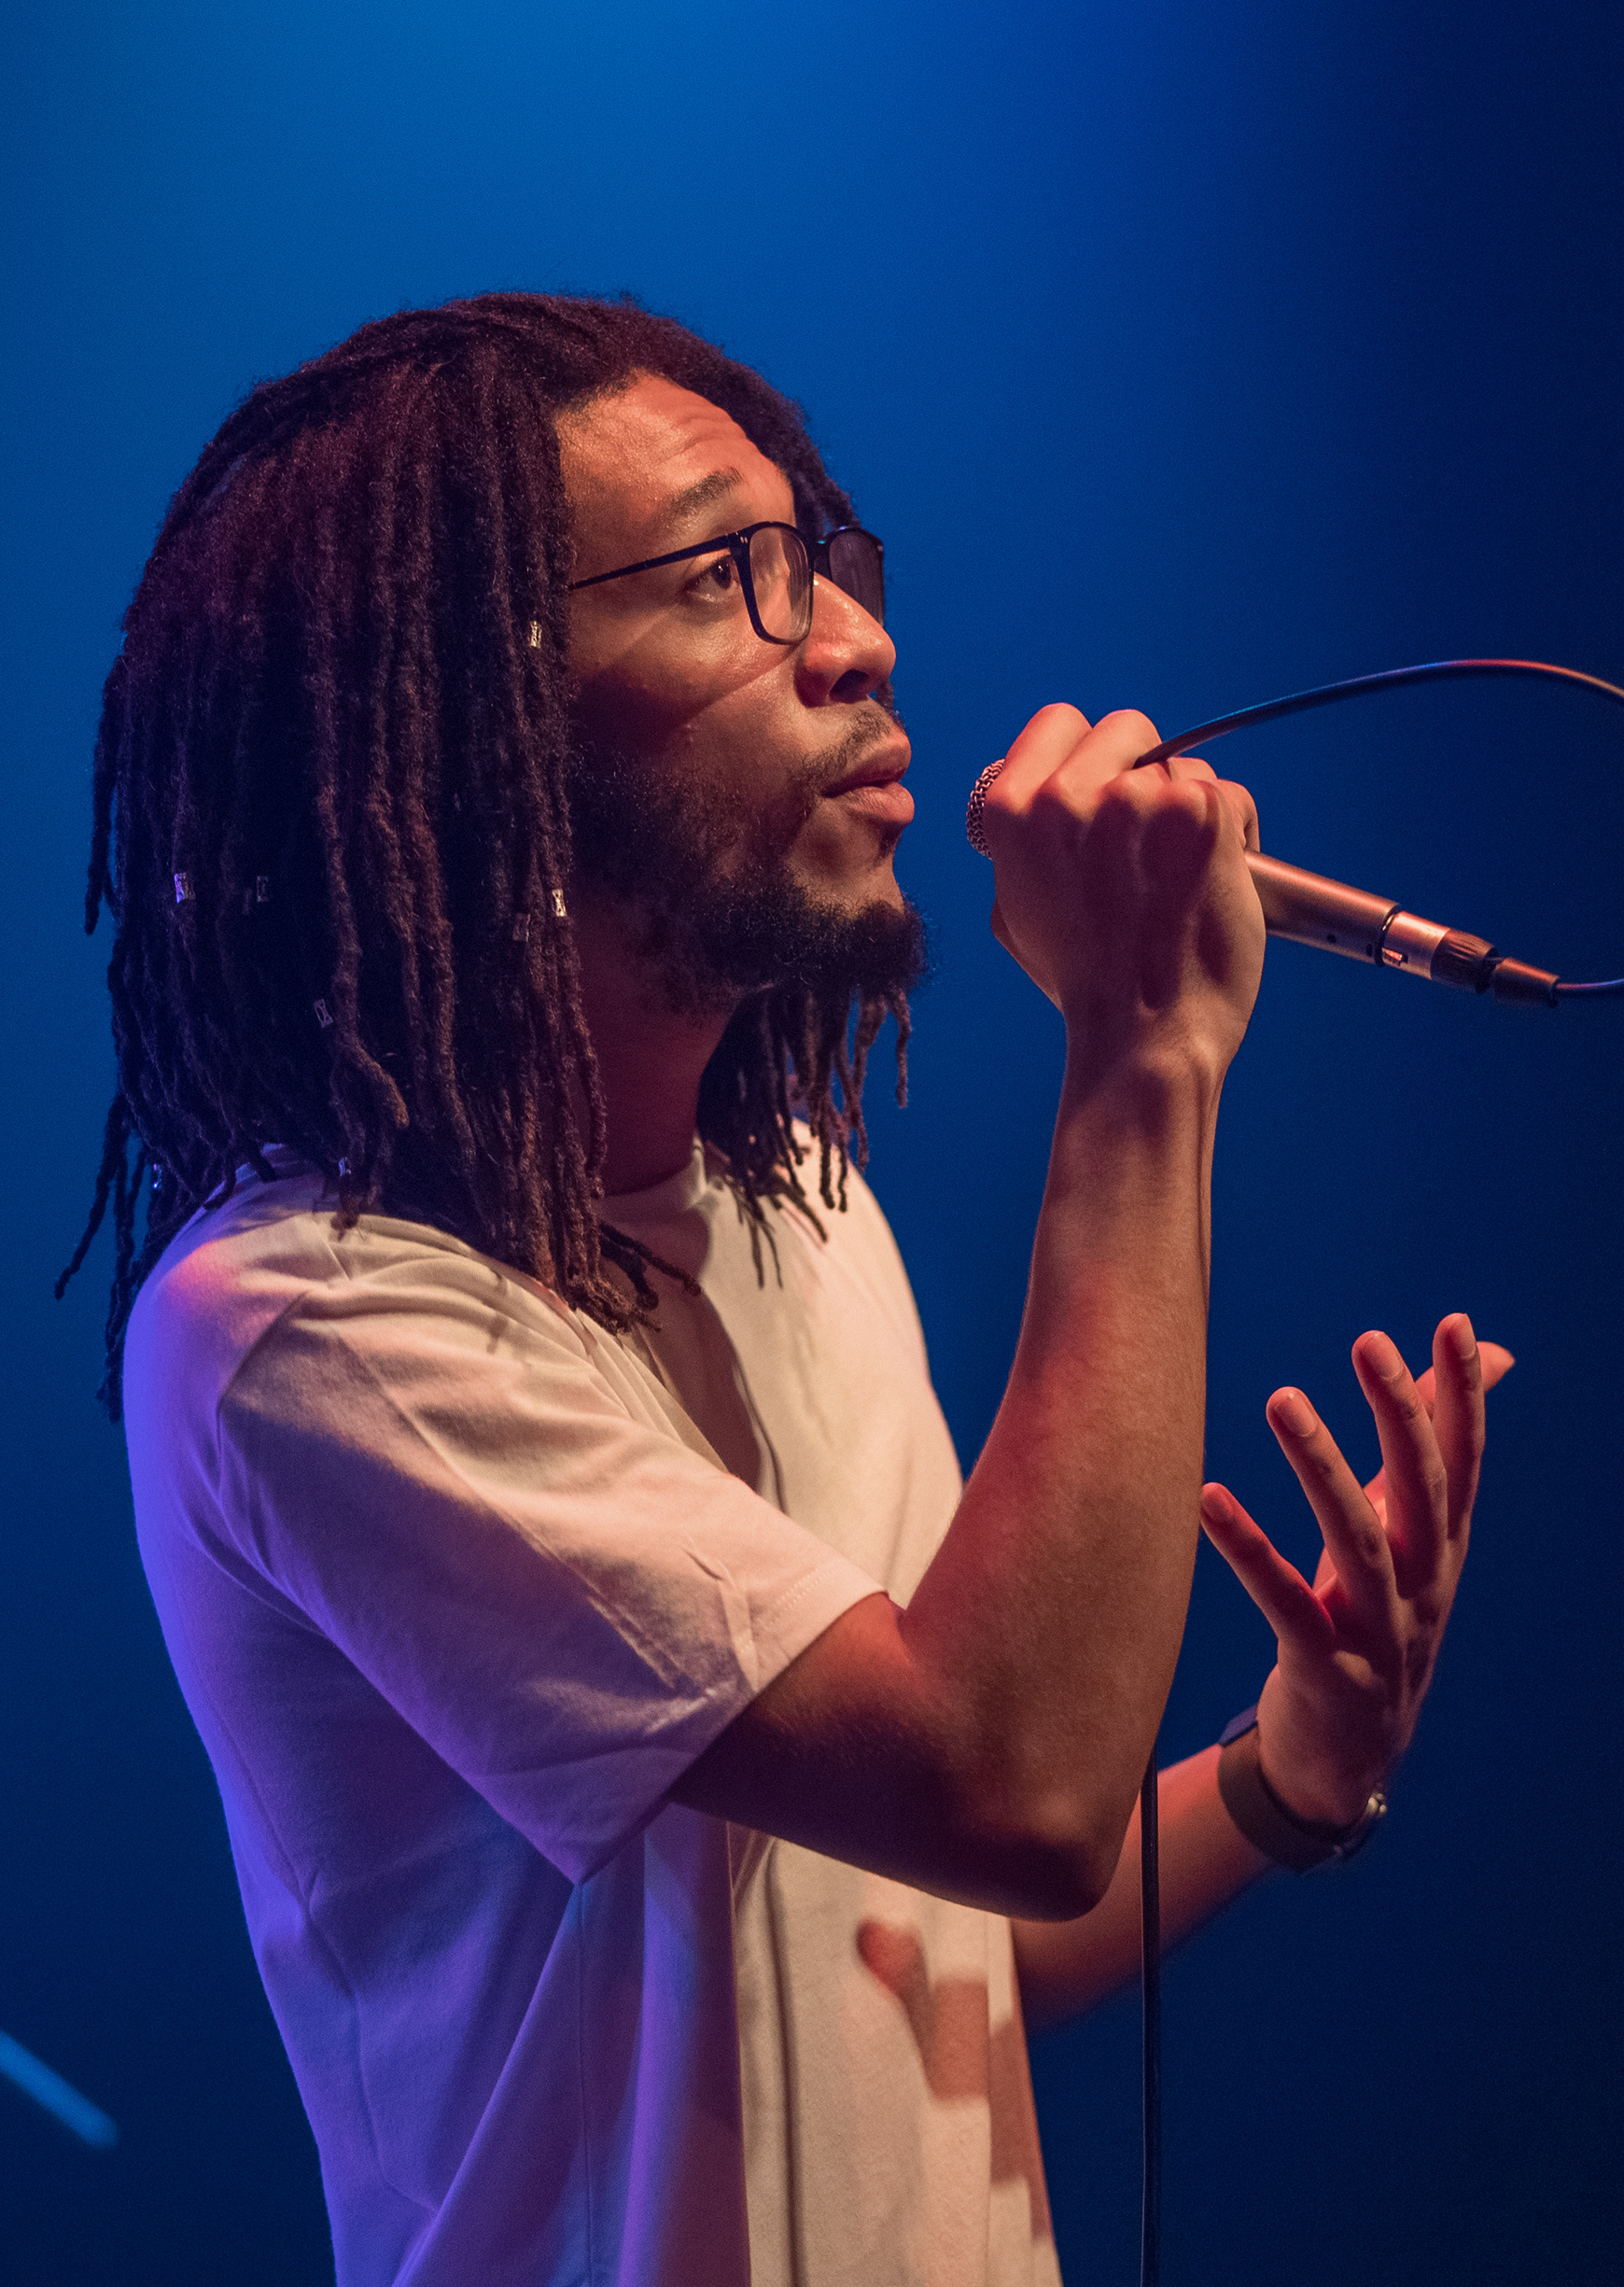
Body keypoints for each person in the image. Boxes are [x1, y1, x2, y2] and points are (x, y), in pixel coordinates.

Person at [63, 292, 1505, 2287]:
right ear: (476, 721)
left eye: (819, 559)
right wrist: (1145, 1063)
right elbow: (1008, 1786)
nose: (854, 636)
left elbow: (942, 1931)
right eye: (728, 578)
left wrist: (1284, 1773)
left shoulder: (799, 1206)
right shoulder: (306, 1322)